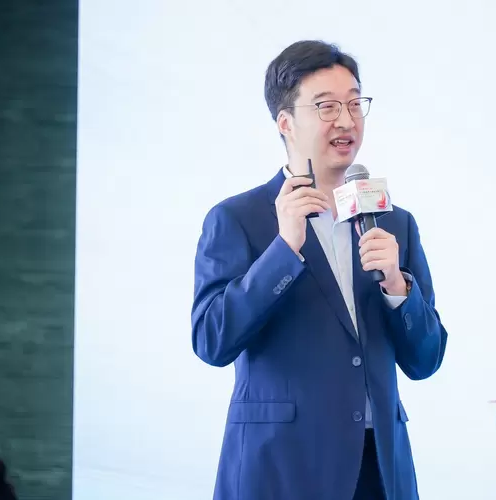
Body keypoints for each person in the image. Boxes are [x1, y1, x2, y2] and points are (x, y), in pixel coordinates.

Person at [191, 39, 448, 500]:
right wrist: (283, 251)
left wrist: (396, 287)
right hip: (281, 468)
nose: (346, 121)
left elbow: (426, 360)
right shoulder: (238, 218)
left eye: (355, 104)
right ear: (285, 122)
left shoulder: (394, 223)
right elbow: (212, 340)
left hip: (379, 468)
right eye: (327, 106)